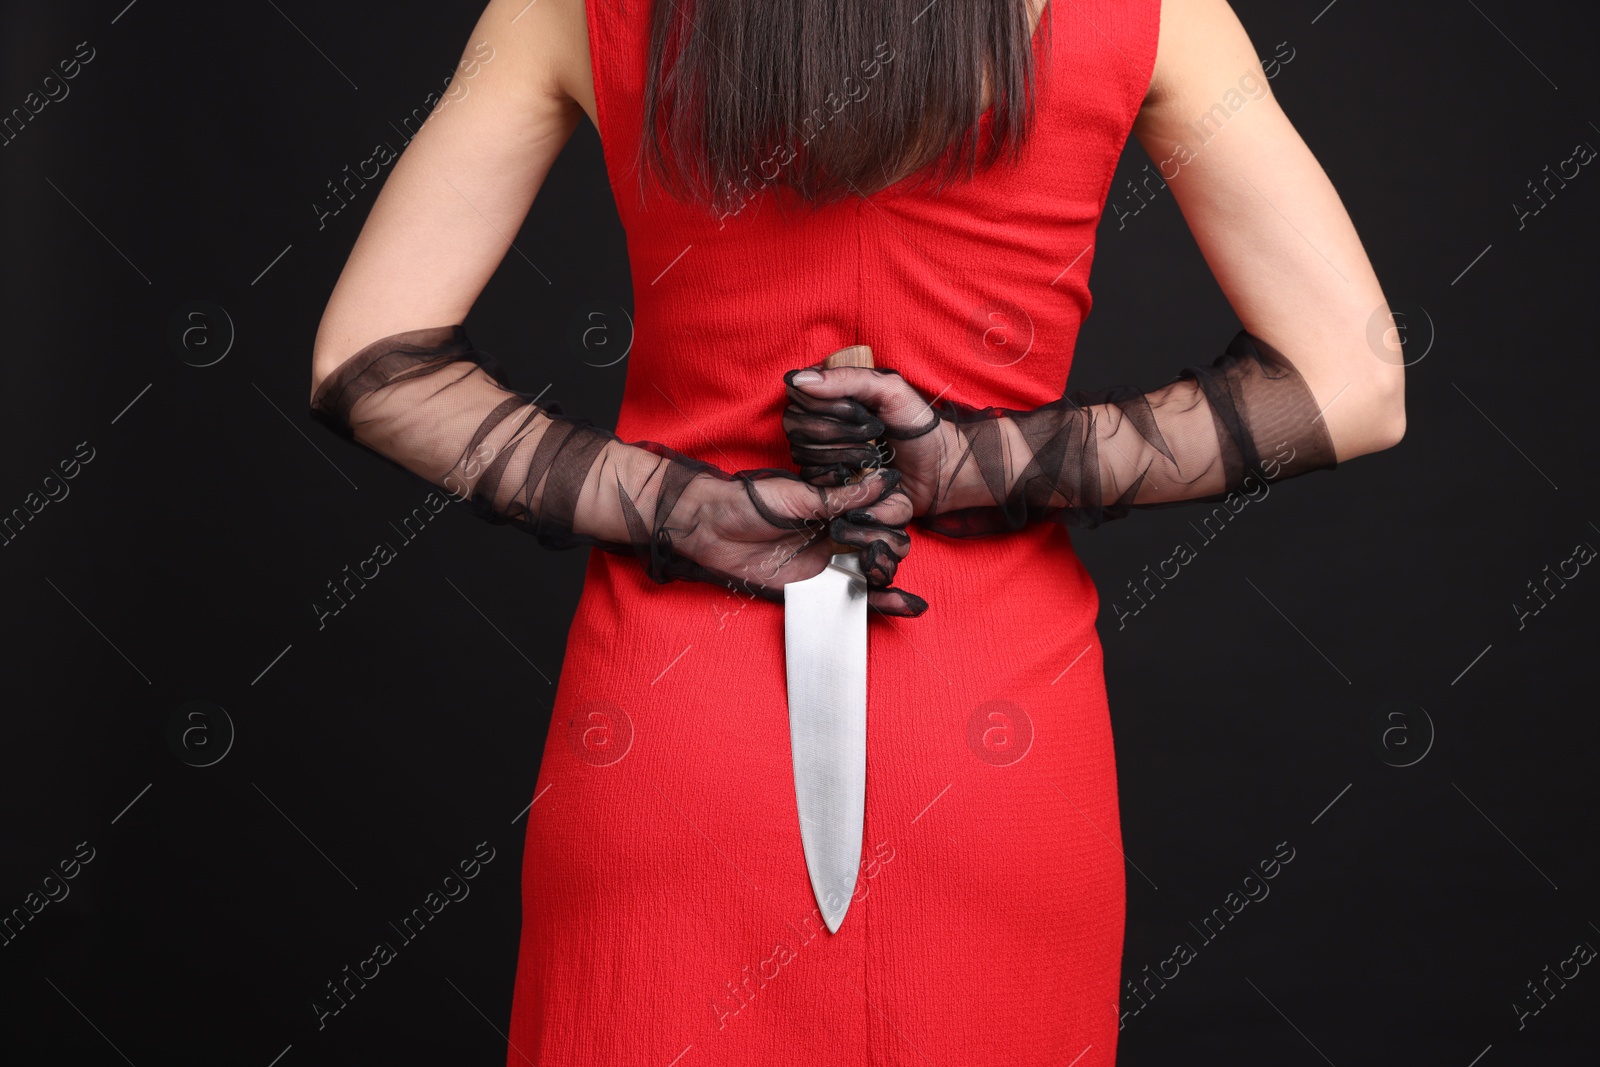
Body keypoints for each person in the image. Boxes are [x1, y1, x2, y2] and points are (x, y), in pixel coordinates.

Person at [307, 0, 1405, 1063]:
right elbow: (1352, 380)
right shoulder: (1152, 9)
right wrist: (979, 466)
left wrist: (688, 510)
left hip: (674, 729)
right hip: (994, 737)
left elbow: (368, 366)